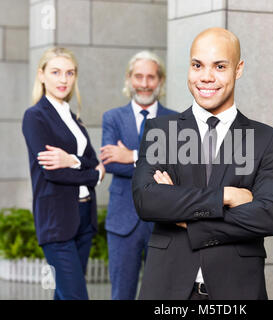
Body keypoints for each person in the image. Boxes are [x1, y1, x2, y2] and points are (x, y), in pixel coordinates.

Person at [132, 27, 273, 300]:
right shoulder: (160, 130)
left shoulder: (266, 139)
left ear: (238, 69)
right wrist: (226, 196)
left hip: (237, 292)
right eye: (197, 65)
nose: (206, 77)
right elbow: (148, 200)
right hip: (167, 291)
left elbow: (270, 215)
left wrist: (185, 218)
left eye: (219, 66)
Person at [22, 47, 105, 300]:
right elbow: (54, 173)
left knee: (65, 295)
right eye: (56, 72)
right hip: (57, 220)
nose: (63, 79)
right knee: (76, 296)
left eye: (69, 73)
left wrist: (71, 160)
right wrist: (94, 176)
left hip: (83, 216)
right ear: (42, 75)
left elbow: (91, 159)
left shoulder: (73, 118)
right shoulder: (35, 117)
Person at [100, 51, 176, 300]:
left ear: (160, 81)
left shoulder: (175, 120)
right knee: (122, 294)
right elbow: (110, 163)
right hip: (123, 222)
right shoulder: (112, 118)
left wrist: (131, 156)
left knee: (163, 294)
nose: (144, 84)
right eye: (139, 77)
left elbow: (174, 168)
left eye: (151, 77)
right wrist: (151, 162)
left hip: (163, 222)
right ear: (129, 79)